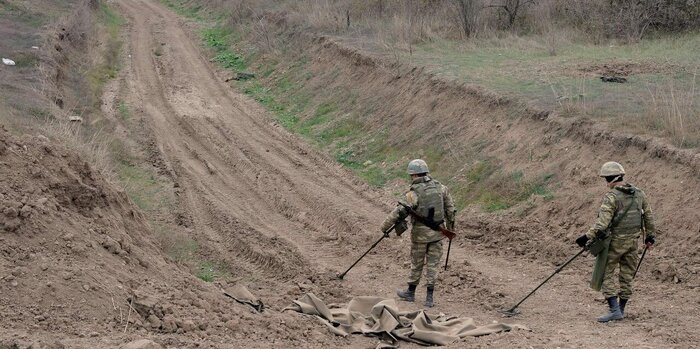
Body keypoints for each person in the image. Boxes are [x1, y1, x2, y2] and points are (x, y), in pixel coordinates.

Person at [575, 161, 656, 322]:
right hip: (633, 242)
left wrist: (586, 237)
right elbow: (648, 216)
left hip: (614, 243)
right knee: (627, 275)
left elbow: (602, 224)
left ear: (610, 179)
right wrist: (650, 237)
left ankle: (614, 309)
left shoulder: (612, 197)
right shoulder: (639, 193)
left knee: (605, 273)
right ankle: (621, 309)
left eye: (606, 179)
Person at [380, 159, 456, 308]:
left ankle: (410, 292)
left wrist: (385, 227)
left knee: (417, 264)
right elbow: (451, 211)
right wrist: (451, 228)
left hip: (420, 236)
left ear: (413, 175)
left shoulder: (413, 193)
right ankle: (429, 298)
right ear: (426, 172)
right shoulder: (441, 188)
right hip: (438, 234)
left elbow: (399, 212)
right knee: (433, 265)